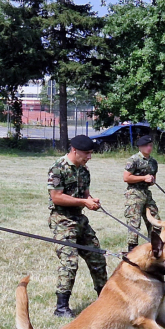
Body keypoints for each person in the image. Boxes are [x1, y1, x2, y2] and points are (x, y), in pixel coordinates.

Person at [47, 135, 109, 318]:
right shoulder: (58, 168)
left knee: (97, 257)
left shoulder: (84, 170)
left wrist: (91, 200)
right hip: (62, 220)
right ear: (75, 150)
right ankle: (61, 308)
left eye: (91, 153)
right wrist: (83, 201)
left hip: (79, 219)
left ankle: (105, 300)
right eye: (87, 153)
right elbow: (56, 197)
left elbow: (85, 194)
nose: (89, 156)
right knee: (70, 261)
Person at [122, 135, 161, 252]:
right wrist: (143, 178)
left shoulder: (153, 162)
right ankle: (131, 250)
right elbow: (126, 178)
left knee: (156, 220)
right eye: (146, 146)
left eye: (150, 145)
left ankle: (154, 246)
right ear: (140, 147)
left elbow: (153, 179)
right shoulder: (133, 160)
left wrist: (151, 180)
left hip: (146, 192)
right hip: (134, 193)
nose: (149, 148)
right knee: (134, 222)